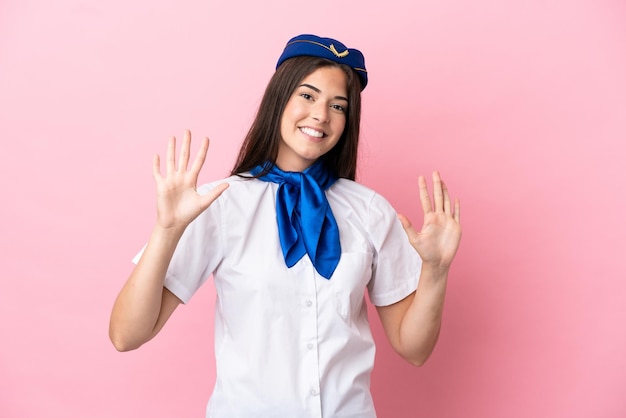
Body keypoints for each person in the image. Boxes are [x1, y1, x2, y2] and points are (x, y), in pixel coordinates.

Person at [109, 34, 462, 417]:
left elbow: (414, 349)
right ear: (279, 98)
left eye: (338, 106)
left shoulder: (370, 211)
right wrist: (166, 231)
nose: (321, 115)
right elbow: (126, 335)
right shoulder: (218, 204)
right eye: (307, 96)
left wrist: (436, 271)